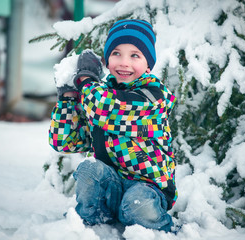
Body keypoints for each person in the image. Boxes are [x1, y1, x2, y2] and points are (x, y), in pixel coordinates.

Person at [49, 19, 177, 232]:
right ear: (107, 61)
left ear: (148, 65)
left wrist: (85, 81)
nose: (124, 62)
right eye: (116, 53)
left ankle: (159, 230)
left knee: (139, 204)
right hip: (111, 186)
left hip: (148, 188)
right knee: (89, 168)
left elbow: (106, 108)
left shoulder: (153, 97)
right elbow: (65, 142)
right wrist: (68, 99)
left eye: (135, 55)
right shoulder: (98, 96)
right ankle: (92, 224)